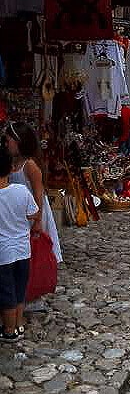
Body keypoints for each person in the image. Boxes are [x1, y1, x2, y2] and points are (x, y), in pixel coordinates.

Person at [4, 122, 62, 265]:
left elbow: (38, 194)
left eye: (8, 141)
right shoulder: (12, 162)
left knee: (35, 248)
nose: (5, 145)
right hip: (20, 210)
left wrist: (38, 221)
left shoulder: (29, 165)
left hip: (34, 211)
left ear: (18, 142)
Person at [0, 146, 38, 340]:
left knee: (6, 293)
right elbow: (33, 213)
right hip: (23, 249)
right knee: (19, 288)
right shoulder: (21, 191)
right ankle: (18, 324)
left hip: (3, 253)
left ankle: (8, 331)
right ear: (10, 169)